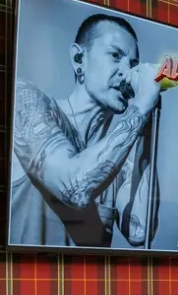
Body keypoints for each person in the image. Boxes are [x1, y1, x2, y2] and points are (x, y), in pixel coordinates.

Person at [10, 13, 161, 248]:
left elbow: (139, 231)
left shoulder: (117, 158)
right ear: (79, 58)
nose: (127, 72)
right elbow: (75, 188)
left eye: (133, 65)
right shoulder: (27, 101)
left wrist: (146, 120)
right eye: (115, 56)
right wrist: (140, 107)